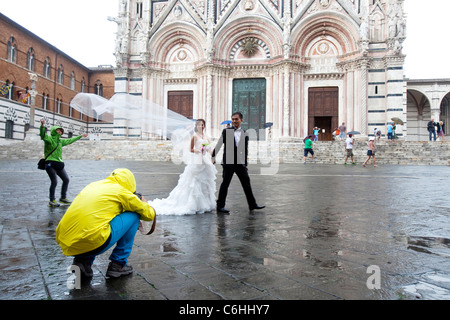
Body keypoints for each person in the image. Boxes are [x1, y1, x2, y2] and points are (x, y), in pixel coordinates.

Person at [56, 168, 156, 279]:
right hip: (92, 240)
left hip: (67, 241)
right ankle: (118, 264)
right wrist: (144, 203)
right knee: (134, 215)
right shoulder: (121, 192)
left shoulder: (94, 185)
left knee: (96, 220)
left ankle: (83, 262)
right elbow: (149, 215)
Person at [148, 119, 217, 215]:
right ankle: (192, 203)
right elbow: (191, 149)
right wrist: (199, 151)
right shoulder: (194, 136)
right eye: (198, 125)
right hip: (196, 160)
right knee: (194, 181)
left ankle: (204, 203)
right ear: (196, 126)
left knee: (205, 181)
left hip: (204, 161)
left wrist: (212, 157)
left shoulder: (206, 137)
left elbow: (208, 148)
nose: (200, 127)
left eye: (202, 125)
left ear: (204, 126)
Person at [212, 111, 265, 214]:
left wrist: (245, 164)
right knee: (225, 184)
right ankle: (220, 206)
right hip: (228, 162)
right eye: (233, 119)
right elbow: (219, 144)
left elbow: (245, 150)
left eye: (236, 119)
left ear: (241, 120)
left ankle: (252, 204)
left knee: (246, 183)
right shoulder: (226, 131)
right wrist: (213, 156)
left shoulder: (245, 133)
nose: (234, 121)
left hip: (240, 163)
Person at [40, 118, 88, 207]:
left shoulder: (60, 141)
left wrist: (80, 136)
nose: (60, 132)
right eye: (58, 130)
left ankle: (63, 198)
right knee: (54, 182)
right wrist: (42, 126)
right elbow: (43, 136)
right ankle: (52, 200)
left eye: (61, 131)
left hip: (59, 164)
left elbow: (70, 141)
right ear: (54, 131)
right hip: (50, 164)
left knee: (66, 179)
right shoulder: (49, 139)